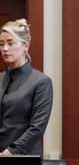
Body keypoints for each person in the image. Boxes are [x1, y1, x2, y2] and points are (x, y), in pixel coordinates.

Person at [0, 18, 53, 155]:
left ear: (25, 46)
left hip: (23, 155)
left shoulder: (41, 82)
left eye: (11, 43)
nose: (5, 49)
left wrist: (11, 151)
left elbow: (37, 128)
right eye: (1, 44)